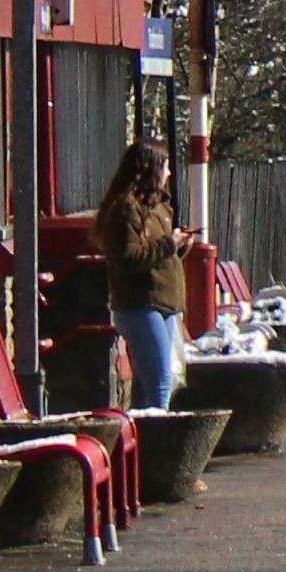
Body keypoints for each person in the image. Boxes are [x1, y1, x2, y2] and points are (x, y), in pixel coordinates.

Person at [93, 142, 198, 410]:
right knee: (160, 381)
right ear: (150, 169)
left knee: (163, 379)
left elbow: (158, 257)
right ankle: (159, 431)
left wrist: (179, 247)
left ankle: (150, 428)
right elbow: (128, 258)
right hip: (140, 305)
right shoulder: (125, 209)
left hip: (165, 304)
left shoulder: (159, 208)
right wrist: (168, 244)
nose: (169, 174)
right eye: (165, 167)